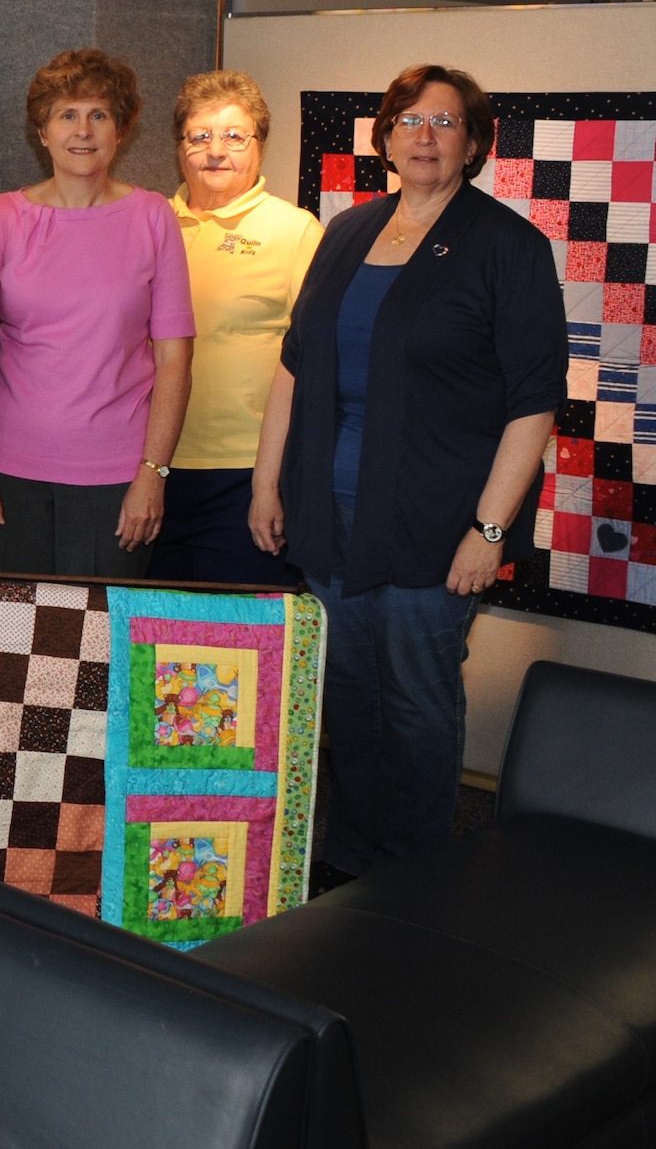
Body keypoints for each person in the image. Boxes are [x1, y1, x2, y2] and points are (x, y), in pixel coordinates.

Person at [250, 64, 565, 886]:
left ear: (474, 141)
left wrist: (489, 530)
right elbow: (294, 365)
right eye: (410, 120)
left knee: (418, 705)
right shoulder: (348, 231)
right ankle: (348, 863)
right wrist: (266, 483)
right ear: (385, 137)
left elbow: (534, 404)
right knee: (346, 697)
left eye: (446, 122)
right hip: (328, 510)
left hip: (436, 522)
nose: (426, 136)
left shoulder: (509, 247)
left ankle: (416, 880)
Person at [0, 48, 195, 579]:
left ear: (121, 130)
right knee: (9, 652)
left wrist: (153, 473)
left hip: (118, 479)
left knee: (98, 652)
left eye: (99, 114)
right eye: (67, 115)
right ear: (42, 132)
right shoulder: (3, 217)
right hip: (6, 474)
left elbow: (175, 361)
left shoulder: (154, 217)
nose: (83, 130)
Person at [147, 70, 321, 585]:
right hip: (147, 471)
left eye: (233, 136)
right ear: (180, 148)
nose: (215, 151)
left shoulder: (295, 231)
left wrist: (271, 486)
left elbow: (312, 366)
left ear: (260, 146)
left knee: (244, 644)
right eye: (199, 136)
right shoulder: (148, 223)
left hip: (247, 478)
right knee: (152, 642)